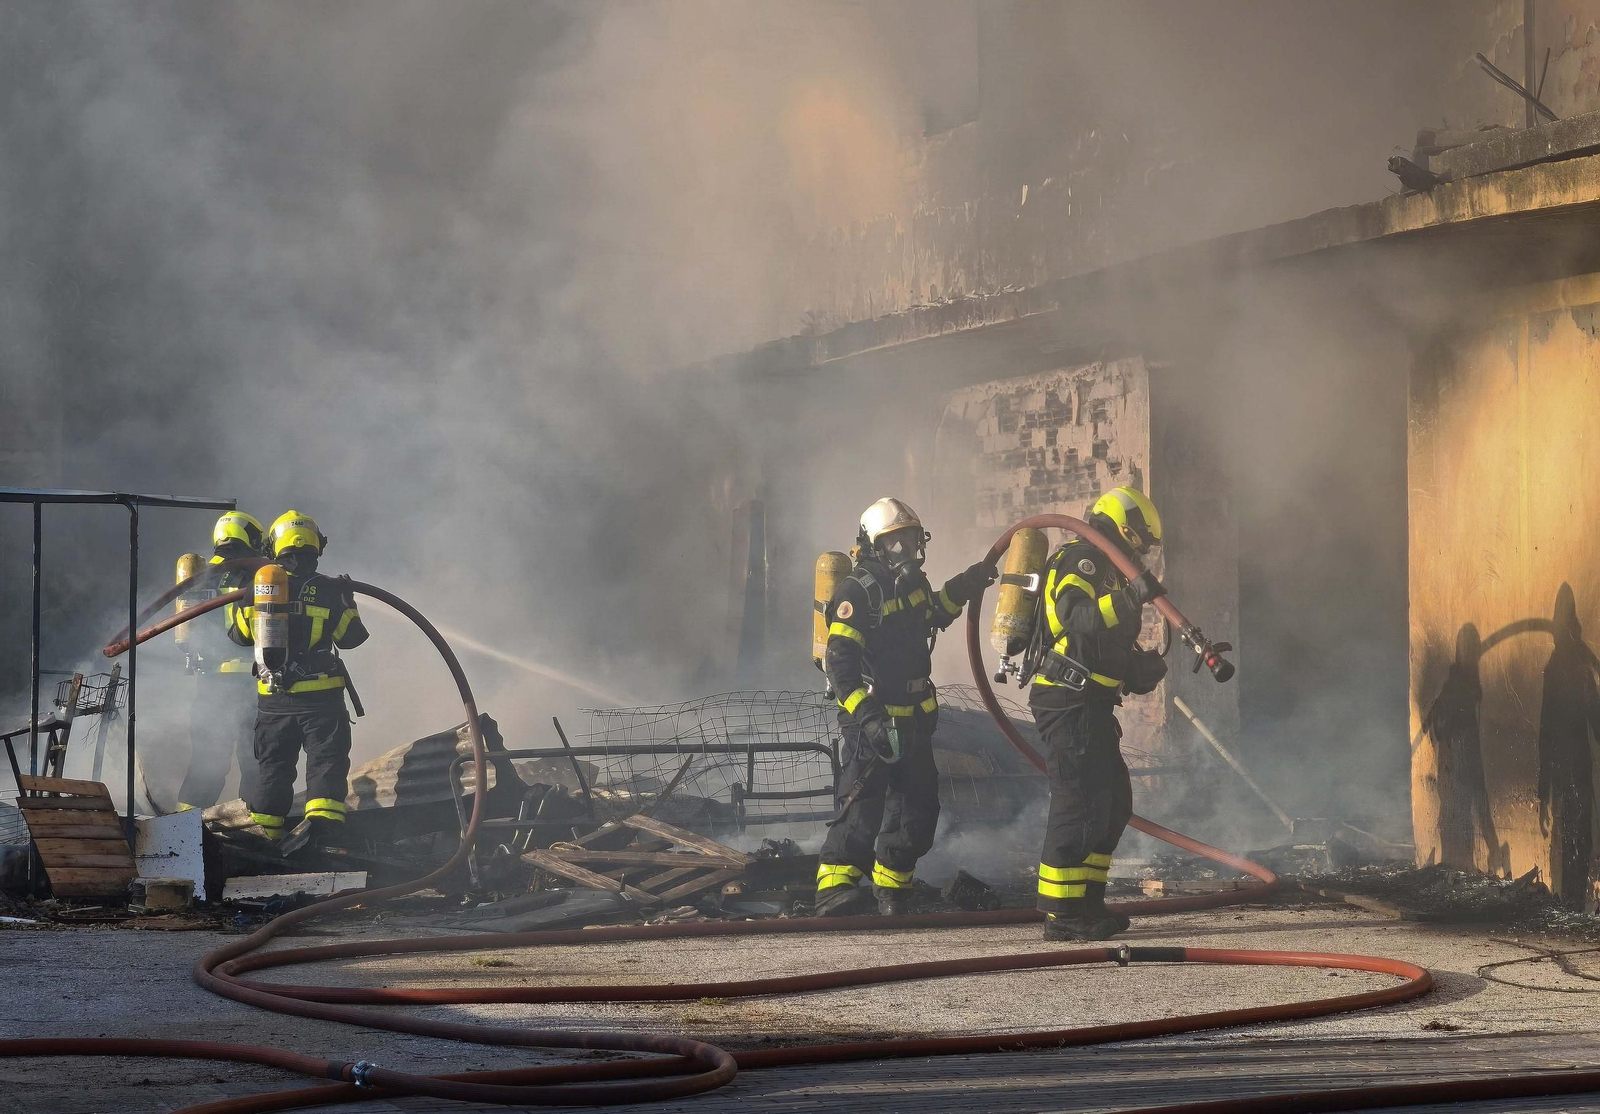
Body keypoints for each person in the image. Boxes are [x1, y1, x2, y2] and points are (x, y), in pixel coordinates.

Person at [814, 497, 996, 916]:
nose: (905, 549)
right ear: (873, 545)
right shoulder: (858, 591)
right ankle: (833, 890)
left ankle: (891, 889)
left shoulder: (912, 584)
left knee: (918, 809)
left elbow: (934, 613)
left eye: (911, 540)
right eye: (895, 542)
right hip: (873, 721)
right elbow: (840, 665)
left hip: (913, 720)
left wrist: (967, 584)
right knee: (862, 807)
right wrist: (868, 718)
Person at [1027, 485, 1169, 941]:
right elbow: (1076, 616)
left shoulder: (1109, 572)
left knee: (1112, 804)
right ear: (1123, 528)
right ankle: (1061, 914)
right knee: (1079, 803)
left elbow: (1100, 645)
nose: (1142, 551)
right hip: (1068, 702)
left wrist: (1138, 669)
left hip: (1092, 704)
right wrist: (1130, 598)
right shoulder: (1083, 558)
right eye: (1141, 540)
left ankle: (1087, 902)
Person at [226, 510, 367, 853]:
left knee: (273, 769)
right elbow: (351, 638)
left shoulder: (261, 587)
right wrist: (348, 599)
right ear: (317, 545)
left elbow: (240, 636)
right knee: (325, 763)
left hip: (273, 701)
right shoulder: (331, 589)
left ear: (275, 546)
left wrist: (246, 599)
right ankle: (322, 840)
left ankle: (264, 840)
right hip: (322, 700)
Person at [175, 512, 267, 810]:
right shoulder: (261, 575)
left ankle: (182, 826)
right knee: (254, 761)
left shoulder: (200, 576)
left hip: (210, 683)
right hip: (250, 682)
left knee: (207, 761)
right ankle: (251, 823)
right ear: (250, 537)